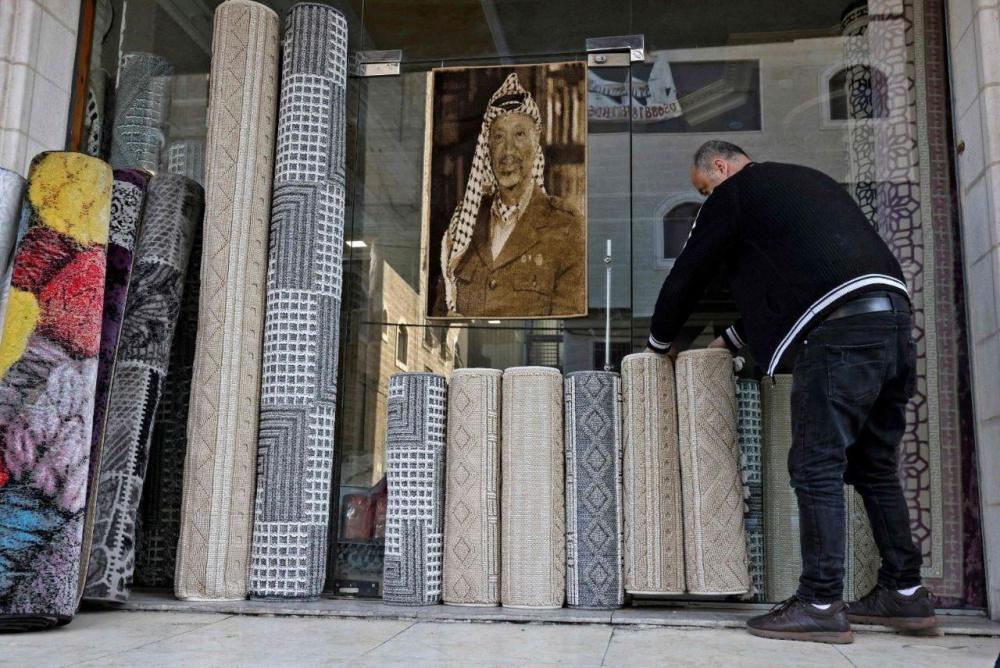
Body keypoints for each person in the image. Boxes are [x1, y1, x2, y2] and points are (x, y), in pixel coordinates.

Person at [647, 140, 937, 644]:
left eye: (704, 188)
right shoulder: (804, 183)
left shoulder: (736, 193)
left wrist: (659, 342)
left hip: (840, 334)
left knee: (814, 465)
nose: (706, 198)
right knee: (874, 467)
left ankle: (820, 602)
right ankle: (905, 591)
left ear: (720, 167)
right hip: (891, 323)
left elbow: (689, 270)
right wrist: (730, 339)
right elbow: (796, 283)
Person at [433, 73, 585, 318]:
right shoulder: (463, 225)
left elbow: (567, 323)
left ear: (536, 143)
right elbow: (439, 316)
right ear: (488, 148)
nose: (508, 151)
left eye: (519, 134)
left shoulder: (566, 226)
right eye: (499, 136)